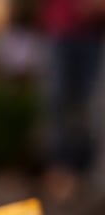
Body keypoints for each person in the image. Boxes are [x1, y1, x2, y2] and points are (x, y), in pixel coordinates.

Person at [38, 0, 105, 202]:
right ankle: (61, 171)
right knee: (58, 102)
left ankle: (84, 175)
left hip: (94, 31)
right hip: (61, 27)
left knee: (90, 106)